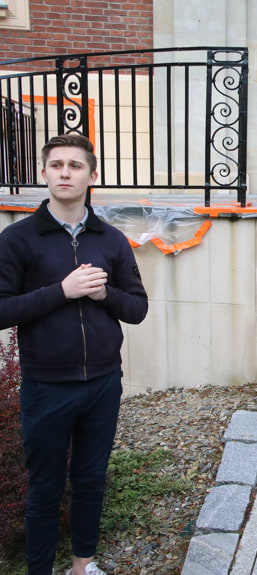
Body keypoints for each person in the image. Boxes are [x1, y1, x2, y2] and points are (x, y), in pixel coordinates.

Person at [0, 134, 149, 575]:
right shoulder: (19, 239)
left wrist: (104, 294)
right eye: (57, 165)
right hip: (47, 386)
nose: (65, 173)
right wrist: (61, 292)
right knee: (45, 487)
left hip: (103, 382)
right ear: (44, 173)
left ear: (92, 176)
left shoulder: (111, 239)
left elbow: (138, 309)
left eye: (75, 166)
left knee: (90, 480)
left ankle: (83, 565)